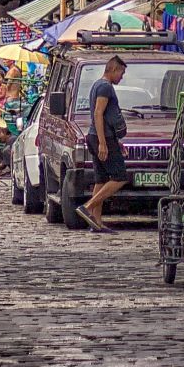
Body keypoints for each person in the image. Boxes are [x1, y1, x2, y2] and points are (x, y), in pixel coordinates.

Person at [78, 54, 130, 233]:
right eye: (121, 73)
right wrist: (103, 142)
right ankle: (88, 206)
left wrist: (116, 141)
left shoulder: (97, 85)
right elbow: (98, 114)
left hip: (99, 136)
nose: (121, 77)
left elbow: (105, 116)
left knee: (101, 179)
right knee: (120, 176)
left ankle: (96, 222)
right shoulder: (105, 87)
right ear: (113, 69)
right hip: (101, 137)